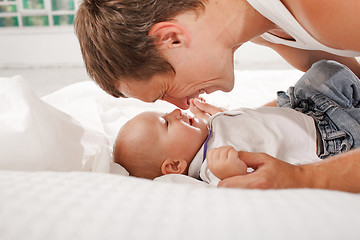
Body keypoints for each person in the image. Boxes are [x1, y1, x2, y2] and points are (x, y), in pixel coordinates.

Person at [74, 0, 360, 192]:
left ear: (172, 37)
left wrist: (308, 177)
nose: (181, 106)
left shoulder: (324, 9)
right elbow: (348, 76)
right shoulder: (268, 28)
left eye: (165, 91)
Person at [113, 60, 360, 187]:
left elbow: (254, 126)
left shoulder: (208, 130)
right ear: (175, 166)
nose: (175, 113)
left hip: (304, 109)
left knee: (326, 71)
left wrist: (221, 115)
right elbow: (247, 184)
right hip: (333, 138)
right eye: (166, 124)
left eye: (166, 113)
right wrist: (232, 173)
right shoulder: (213, 166)